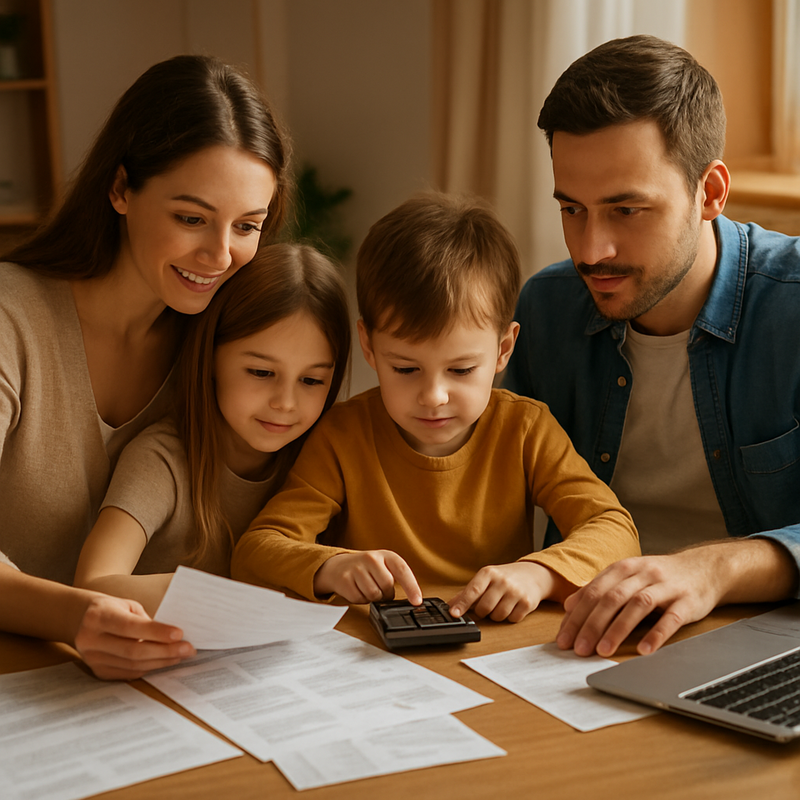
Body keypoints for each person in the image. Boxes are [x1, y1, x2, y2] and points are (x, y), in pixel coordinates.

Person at [504, 34, 800, 658]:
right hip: (579, 644)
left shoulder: (793, 305)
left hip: (763, 644)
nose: (590, 250)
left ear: (710, 193)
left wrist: (712, 569)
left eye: (626, 210)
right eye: (572, 209)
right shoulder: (546, 311)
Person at [0, 53, 289, 676]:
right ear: (121, 188)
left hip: (157, 681)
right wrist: (79, 618)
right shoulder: (10, 318)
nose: (219, 255)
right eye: (191, 218)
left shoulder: (229, 346)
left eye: (248, 225)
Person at [231, 193, 639, 621]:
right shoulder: (344, 435)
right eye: (406, 369)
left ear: (503, 350)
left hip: (491, 648)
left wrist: (539, 575)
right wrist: (328, 567)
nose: (433, 396)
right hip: (373, 657)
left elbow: (614, 529)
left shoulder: (524, 428)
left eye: (461, 370)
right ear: (369, 346)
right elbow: (256, 550)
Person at [73, 243, 351, 616]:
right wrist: (217, 596)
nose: (285, 402)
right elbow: (94, 584)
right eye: (261, 373)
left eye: (312, 380)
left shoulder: (325, 456)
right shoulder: (163, 459)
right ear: (211, 358)